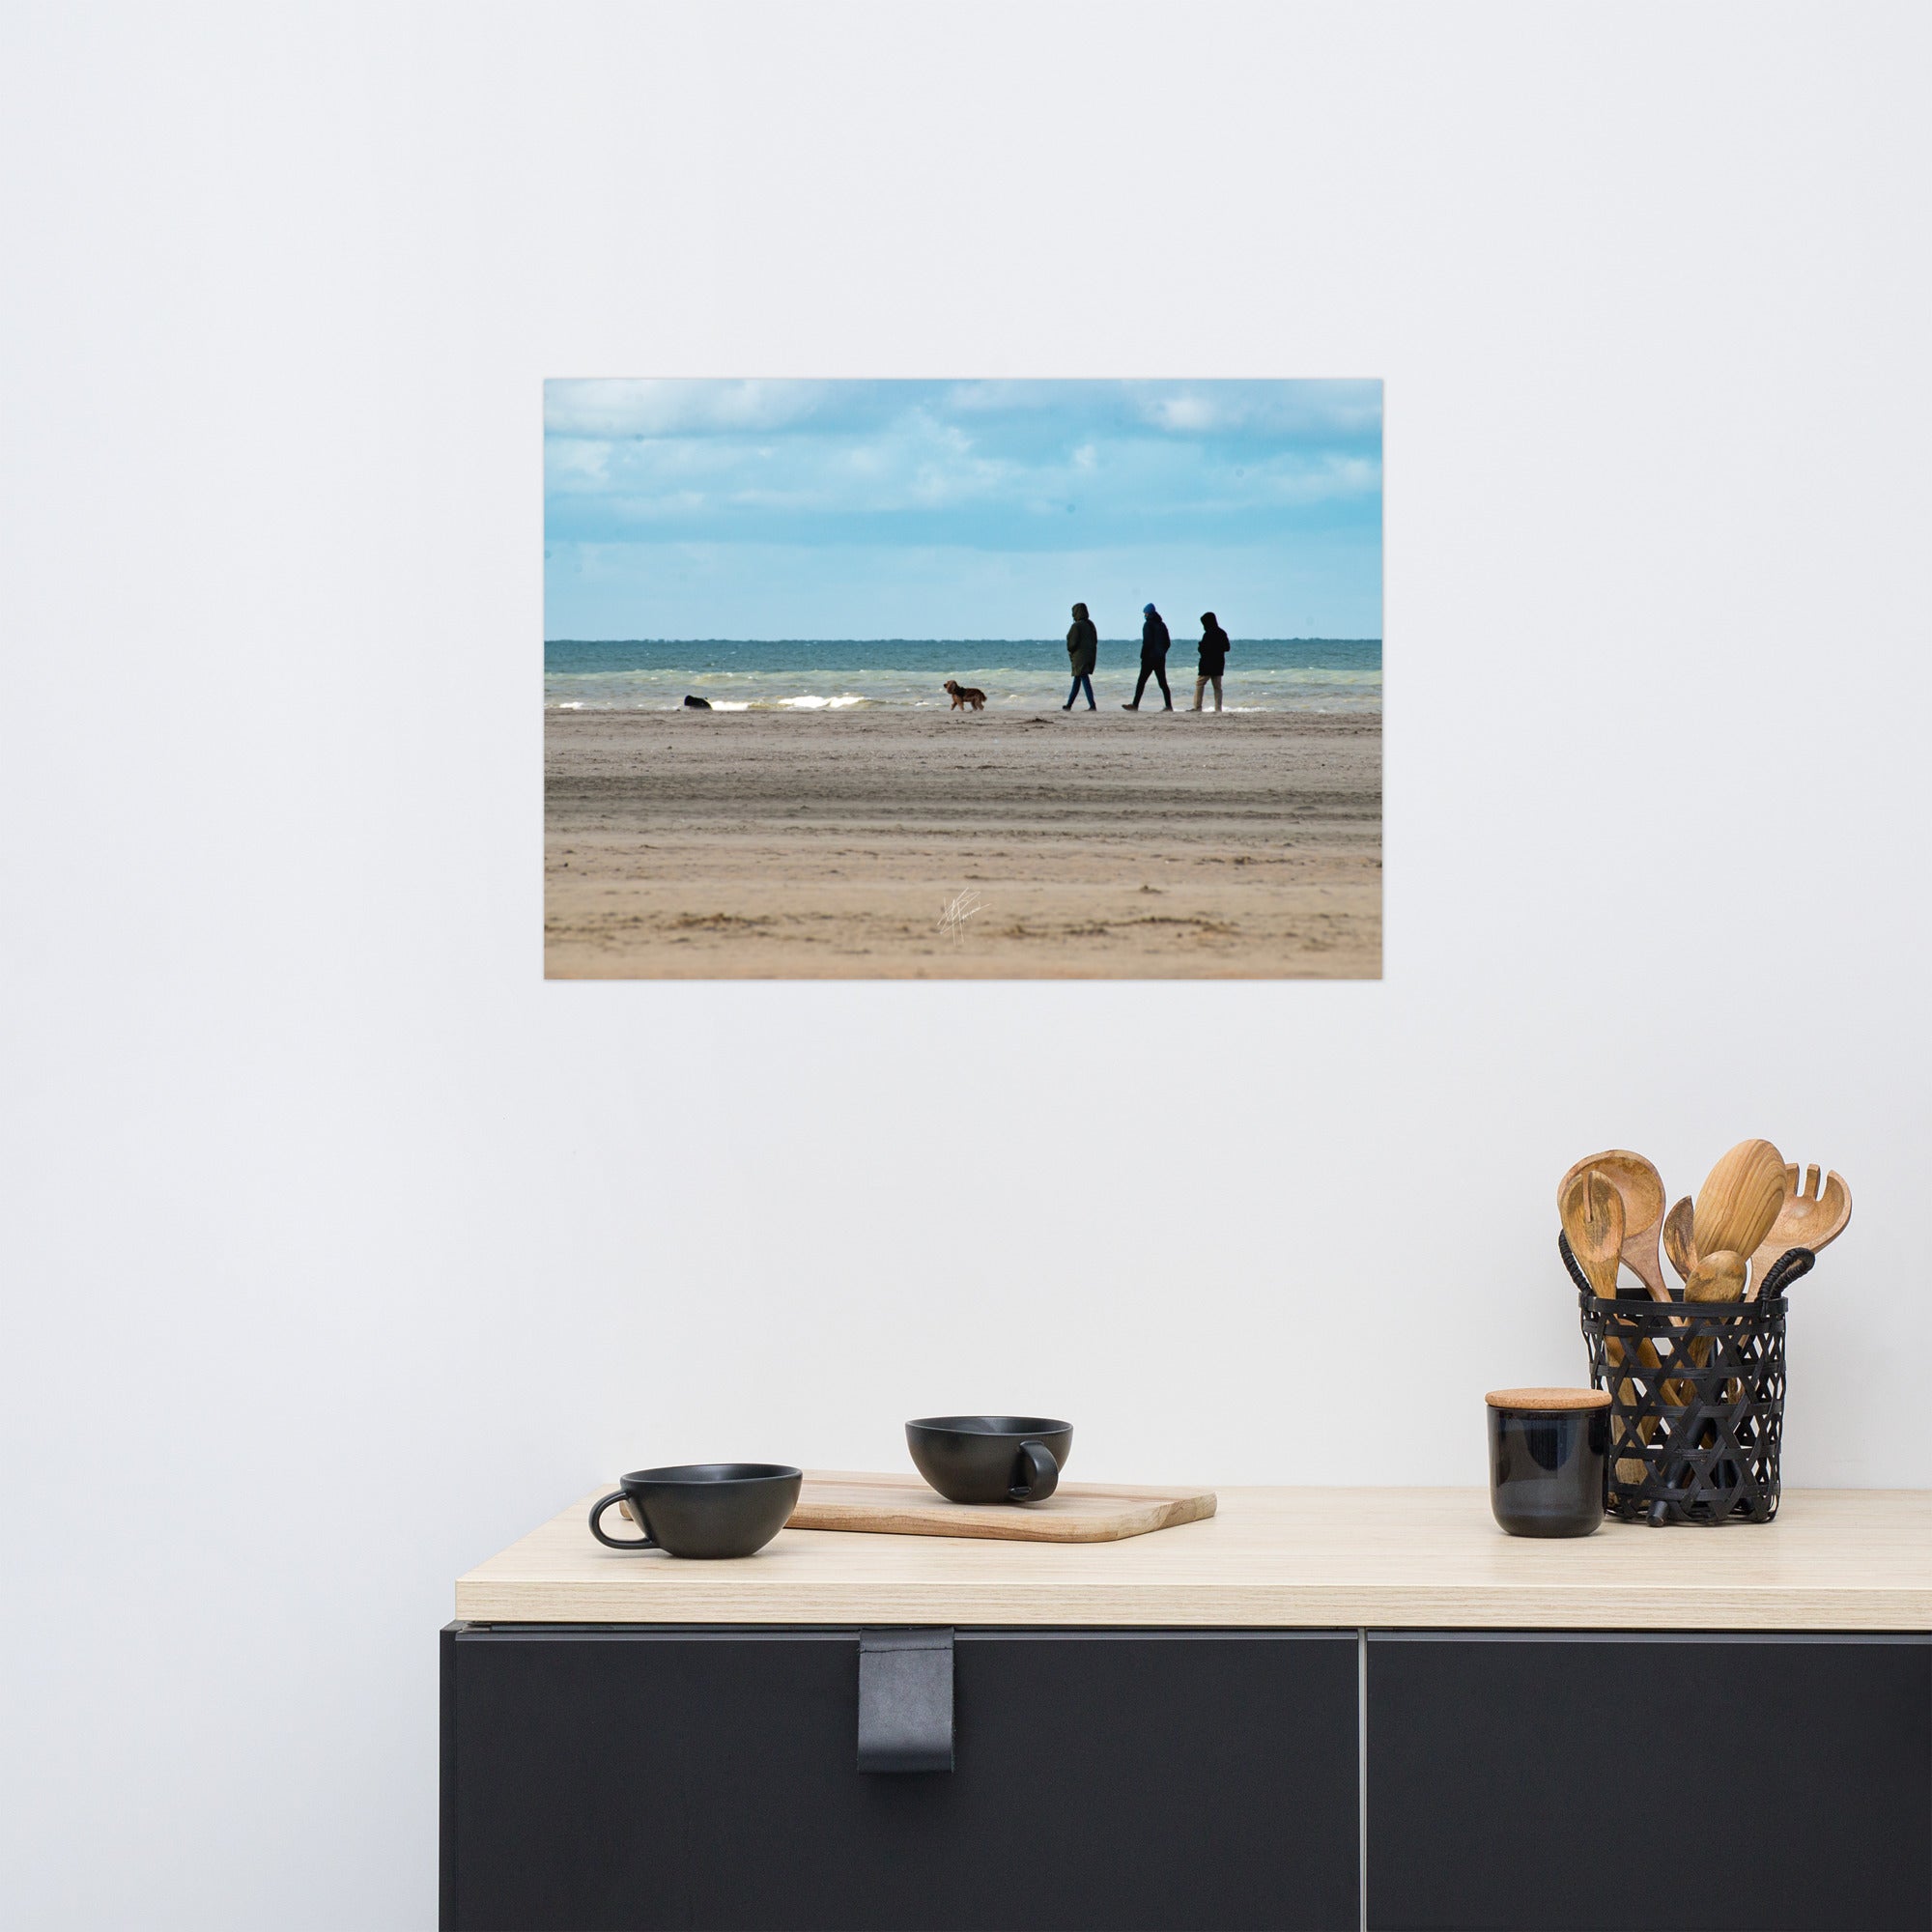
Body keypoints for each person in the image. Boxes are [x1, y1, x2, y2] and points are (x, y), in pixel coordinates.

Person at [1123, 602, 1172, 710]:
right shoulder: (1162, 625)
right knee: (1163, 683)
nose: (1144, 615)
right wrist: (1162, 652)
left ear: (1148, 613)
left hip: (1149, 659)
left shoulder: (1147, 625)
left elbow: (1147, 643)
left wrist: (1143, 656)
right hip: (1160, 659)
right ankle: (1169, 706)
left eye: (1145, 613)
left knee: (1141, 682)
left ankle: (1135, 705)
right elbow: (1168, 643)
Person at [1063, 601, 1098, 710]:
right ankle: (1069, 705)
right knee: (1077, 680)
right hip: (1090, 656)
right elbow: (1095, 640)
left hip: (1079, 658)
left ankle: (1092, 705)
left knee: (1083, 679)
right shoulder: (1090, 624)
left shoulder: (1076, 626)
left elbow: (1072, 644)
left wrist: (1071, 650)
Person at [1193, 611, 1231, 712]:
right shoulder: (1222, 633)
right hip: (1218, 664)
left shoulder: (1207, 634)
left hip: (1207, 664)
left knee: (1200, 684)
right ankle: (1218, 708)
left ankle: (1197, 707)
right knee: (1217, 687)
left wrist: (1200, 646)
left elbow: (1203, 650)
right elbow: (1227, 648)